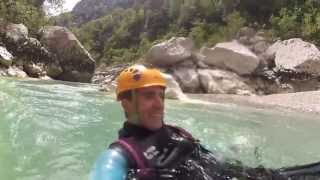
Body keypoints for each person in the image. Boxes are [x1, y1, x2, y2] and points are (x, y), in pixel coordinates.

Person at [90, 64, 320, 180]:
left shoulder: (178, 133)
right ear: (126, 103)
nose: (159, 103)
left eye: (160, 95)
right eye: (148, 96)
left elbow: (213, 158)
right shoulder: (119, 156)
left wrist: (231, 149)